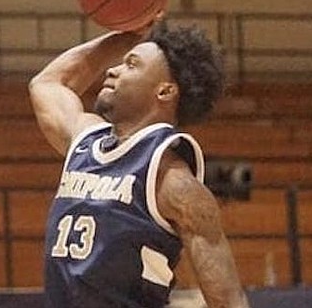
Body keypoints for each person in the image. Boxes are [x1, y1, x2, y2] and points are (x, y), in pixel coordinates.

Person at [29, 17, 250, 307]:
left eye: (131, 64)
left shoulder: (174, 182)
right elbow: (47, 83)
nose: (113, 69)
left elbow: (229, 301)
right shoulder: (84, 140)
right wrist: (126, 35)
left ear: (165, 91)